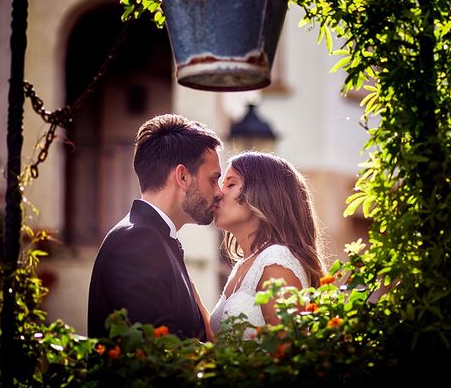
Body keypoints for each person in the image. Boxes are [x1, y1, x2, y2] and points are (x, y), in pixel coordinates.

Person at [87, 114, 222, 340]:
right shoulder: (136, 241)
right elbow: (160, 347)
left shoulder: (154, 237)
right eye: (213, 179)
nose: (218, 192)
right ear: (183, 176)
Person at [209, 152, 324, 336]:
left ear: (262, 194)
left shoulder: (276, 261)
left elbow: (288, 354)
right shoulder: (243, 265)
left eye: (231, 184)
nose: (218, 194)